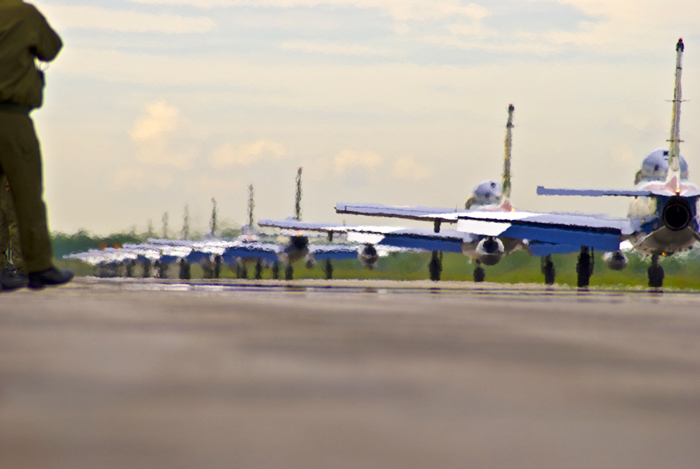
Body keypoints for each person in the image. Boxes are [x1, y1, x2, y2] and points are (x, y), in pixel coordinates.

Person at [0, 0, 73, 290]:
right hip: (11, 116)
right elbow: (51, 48)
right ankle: (39, 267)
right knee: (27, 195)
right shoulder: (22, 13)